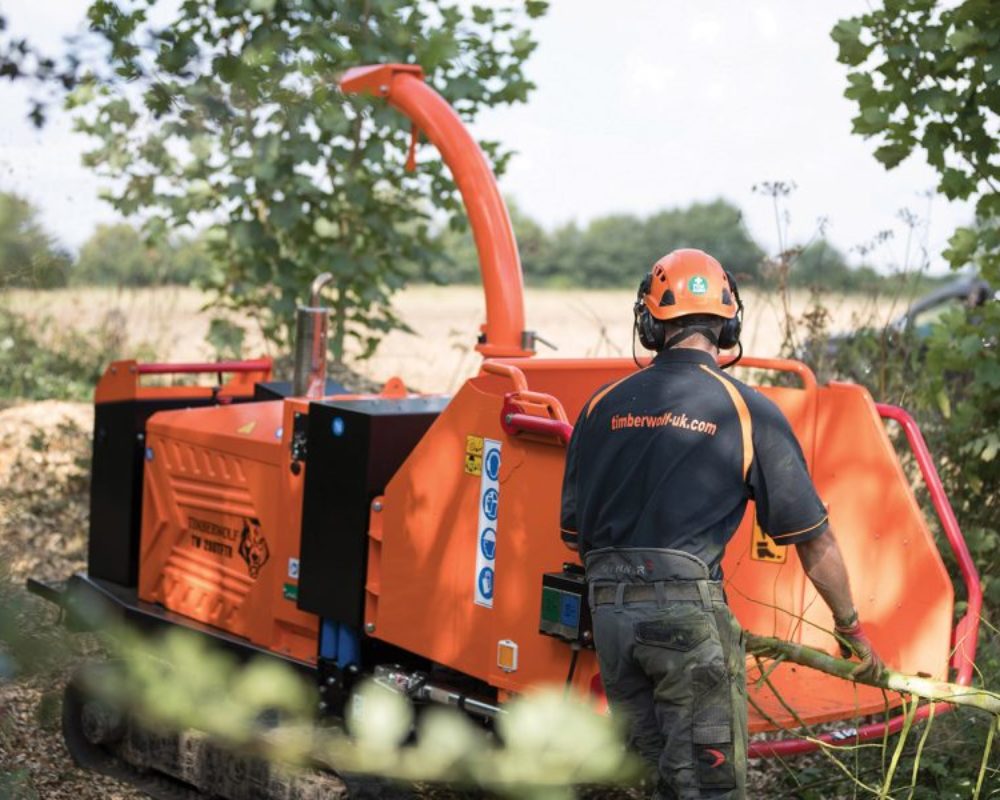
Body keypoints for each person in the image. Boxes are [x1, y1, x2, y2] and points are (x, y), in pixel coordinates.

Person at [559, 249, 884, 800]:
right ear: (730, 323)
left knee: (651, 780)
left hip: (608, 616)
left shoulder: (597, 407)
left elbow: (573, 534)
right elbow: (814, 538)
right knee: (708, 790)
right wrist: (849, 627)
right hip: (684, 625)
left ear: (648, 323)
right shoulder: (746, 409)